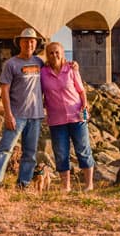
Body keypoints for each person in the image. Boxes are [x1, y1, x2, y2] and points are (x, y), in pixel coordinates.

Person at [0, 28, 46, 188]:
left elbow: (57, 68)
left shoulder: (40, 62)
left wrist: (73, 66)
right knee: (5, 148)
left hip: (35, 116)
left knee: (30, 153)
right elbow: (4, 90)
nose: (29, 44)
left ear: (36, 44)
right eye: (26, 41)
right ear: (20, 43)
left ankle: (23, 184)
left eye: (32, 41)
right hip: (17, 115)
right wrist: (8, 115)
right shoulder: (11, 64)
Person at [41, 41, 95, 192]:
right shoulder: (43, 73)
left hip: (77, 116)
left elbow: (81, 90)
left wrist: (85, 104)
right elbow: (39, 93)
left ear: (63, 53)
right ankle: (66, 186)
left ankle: (89, 184)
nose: (54, 55)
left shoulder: (71, 69)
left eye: (57, 52)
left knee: (83, 149)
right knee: (61, 152)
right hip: (56, 119)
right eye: (51, 52)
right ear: (47, 55)